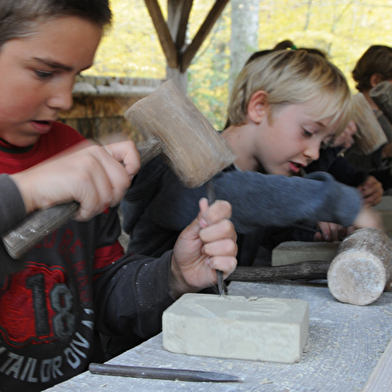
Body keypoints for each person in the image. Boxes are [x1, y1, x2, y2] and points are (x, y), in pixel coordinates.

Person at [0, 1, 238, 391]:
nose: (64, 99)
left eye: (76, 75)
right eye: (44, 72)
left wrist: (171, 276)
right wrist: (24, 191)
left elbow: (100, 293)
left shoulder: (73, 154)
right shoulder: (63, 169)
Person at [121, 49, 381, 267]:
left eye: (322, 142)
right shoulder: (184, 164)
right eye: (308, 132)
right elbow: (227, 196)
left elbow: (268, 225)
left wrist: (315, 226)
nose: (314, 152)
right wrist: (339, 202)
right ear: (260, 107)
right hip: (152, 323)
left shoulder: (261, 177)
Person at [344, 45, 392, 172]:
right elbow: (347, 161)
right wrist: (385, 152)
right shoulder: (349, 114)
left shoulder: (385, 117)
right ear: (376, 81)